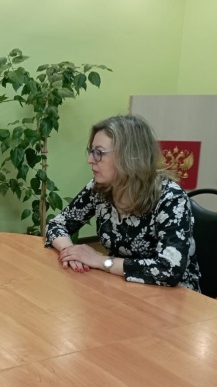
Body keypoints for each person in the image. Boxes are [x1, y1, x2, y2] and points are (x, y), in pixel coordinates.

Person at [45, 115, 200, 291]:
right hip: (122, 285)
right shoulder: (101, 187)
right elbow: (57, 224)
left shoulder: (170, 197)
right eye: (91, 151)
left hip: (173, 295)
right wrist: (71, 253)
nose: (90, 160)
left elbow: (169, 270)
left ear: (129, 156)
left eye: (99, 153)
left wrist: (102, 261)